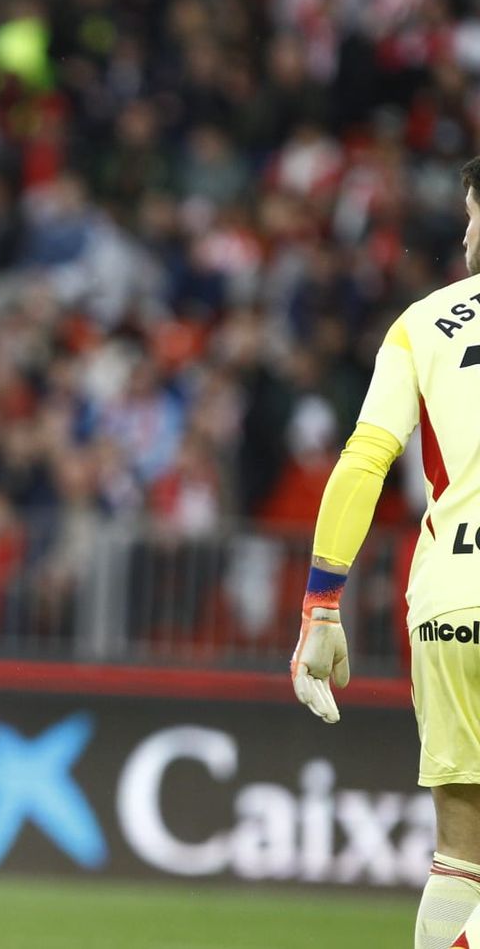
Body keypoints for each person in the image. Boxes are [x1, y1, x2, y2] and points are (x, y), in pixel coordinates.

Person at [292, 157, 480, 949]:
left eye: (473, 215)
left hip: (449, 601)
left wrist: (320, 605)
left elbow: (363, 461)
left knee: (459, 854)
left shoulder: (421, 322)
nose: (468, 233)